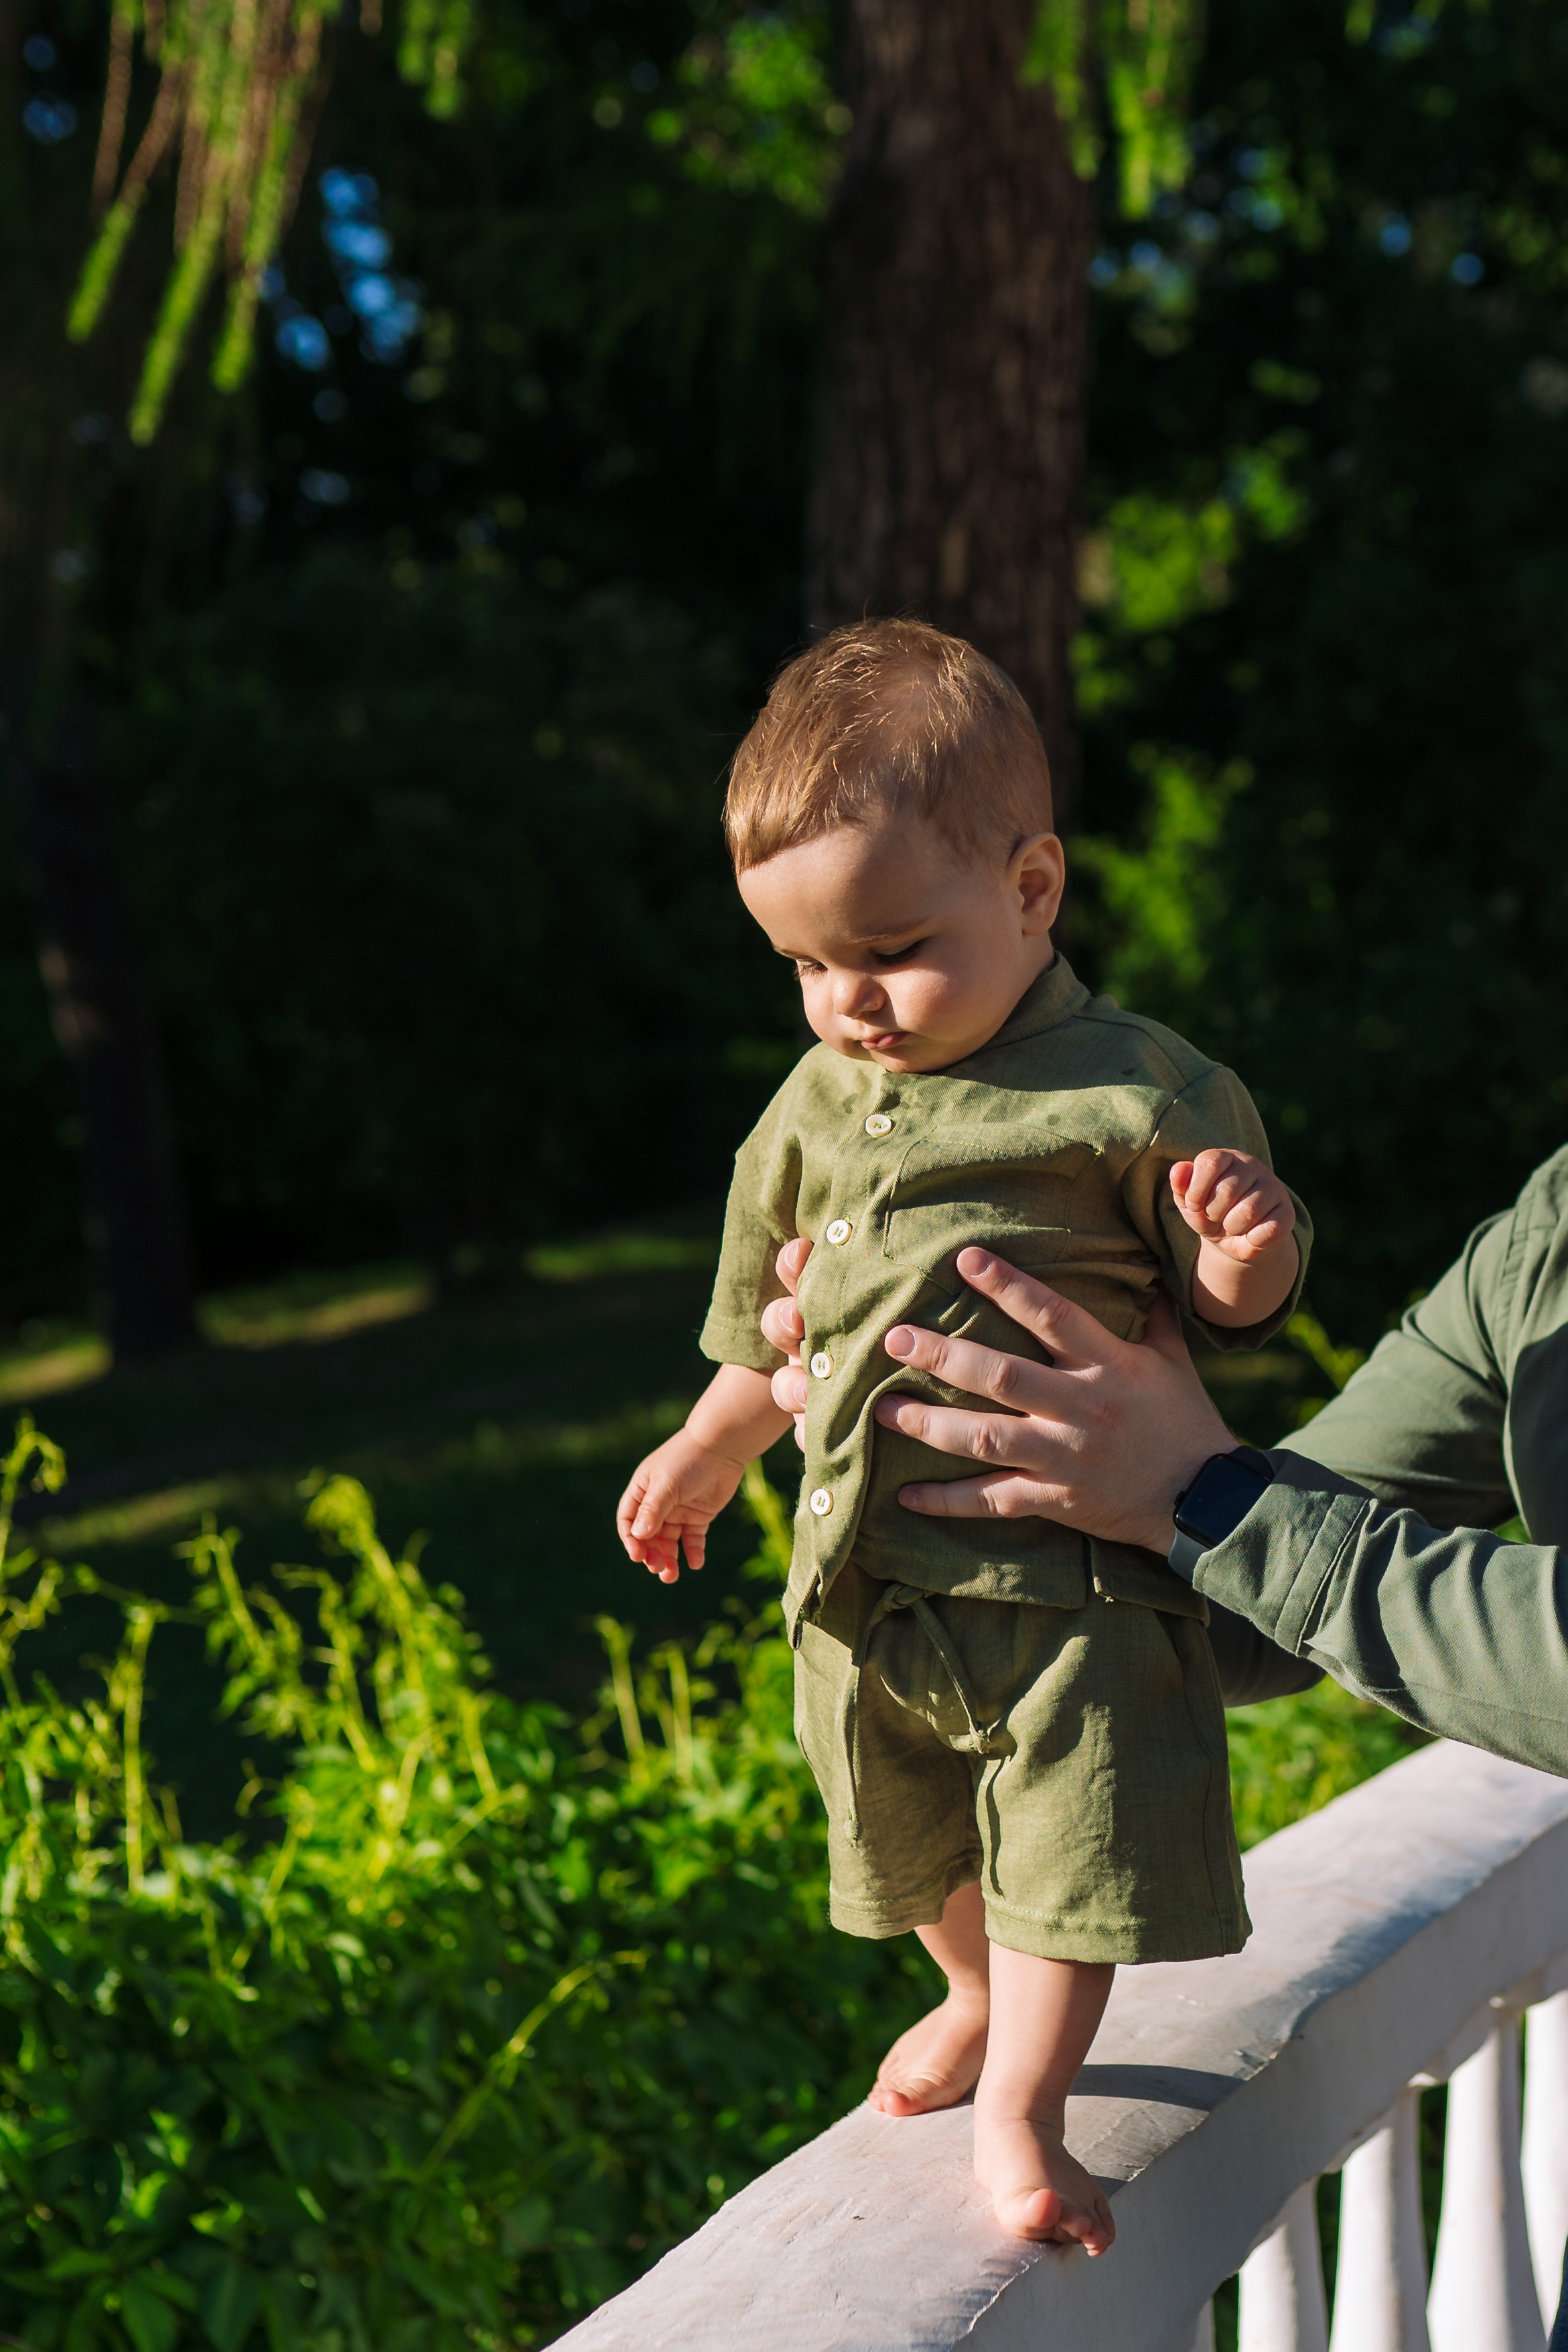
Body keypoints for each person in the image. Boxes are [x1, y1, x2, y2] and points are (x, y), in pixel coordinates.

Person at [615, 618, 1312, 2252]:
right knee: (900, 1824)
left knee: (1074, 1842)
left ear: (1033, 890)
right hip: (869, 1585)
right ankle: (972, 1992)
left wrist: (1239, 1241)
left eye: (887, 949)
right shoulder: (799, 1112)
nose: (846, 1001)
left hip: (1070, 1587)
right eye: (801, 964)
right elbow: (763, 1334)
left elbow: (1231, 1302)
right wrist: (711, 1448)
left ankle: (1025, 2104)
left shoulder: (1129, 1088)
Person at [762, 1146, 1568, 2340]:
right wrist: (967, 1454)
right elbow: (1259, 1604)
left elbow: (1261, 1530)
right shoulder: (1551, 1228)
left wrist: (1198, 1491)